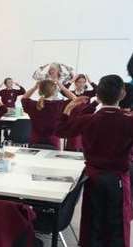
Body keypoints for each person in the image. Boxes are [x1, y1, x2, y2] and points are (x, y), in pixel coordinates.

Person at [56, 74, 132, 247]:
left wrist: (76, 107)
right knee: (118, 225)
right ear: (122, 94)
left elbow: (61, 130)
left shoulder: (89, 120)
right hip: (118, 180)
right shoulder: (128, 122)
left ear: (98, 95)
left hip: (93, 178)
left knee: (92, 222)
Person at [21, 80, 76, 149]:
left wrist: (34, 87)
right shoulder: (59, 105)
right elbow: (75, 99)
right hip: (53, 142)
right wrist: (62, 87)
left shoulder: (33, 105)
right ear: (54, 91)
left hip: (35, 141)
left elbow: (24, 98)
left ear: (40, 91)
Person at [63, 74, 97, 151]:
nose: (81, 84)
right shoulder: (71, 93)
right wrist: (71, 80)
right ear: (75, 83)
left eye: (83, 82)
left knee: (83, 144)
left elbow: (98, 90)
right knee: (72, 145)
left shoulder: (88, 94)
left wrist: (90, 81)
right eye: (79, 82)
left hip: (85, 122)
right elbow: (63, 90)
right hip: (73, 122)